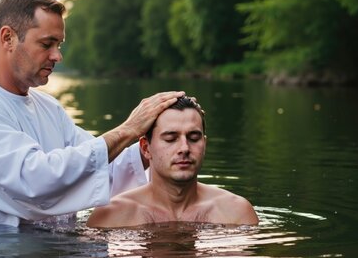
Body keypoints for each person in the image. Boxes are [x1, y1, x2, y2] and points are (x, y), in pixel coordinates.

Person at [0, 0, 184, 226]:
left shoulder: (48, 107)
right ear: (8, 38)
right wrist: (128, 129)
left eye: (60, 45)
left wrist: (155, 146)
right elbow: (33, 182)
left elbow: (99, 169)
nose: (57, 56)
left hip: (55, 256)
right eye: (47, 44)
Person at [87, 96, 259, 227]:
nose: (184, 148)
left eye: (193, 138)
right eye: (170, 138)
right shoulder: (111, 217)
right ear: (146, 148)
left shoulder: (237, 213)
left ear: (204, 144)